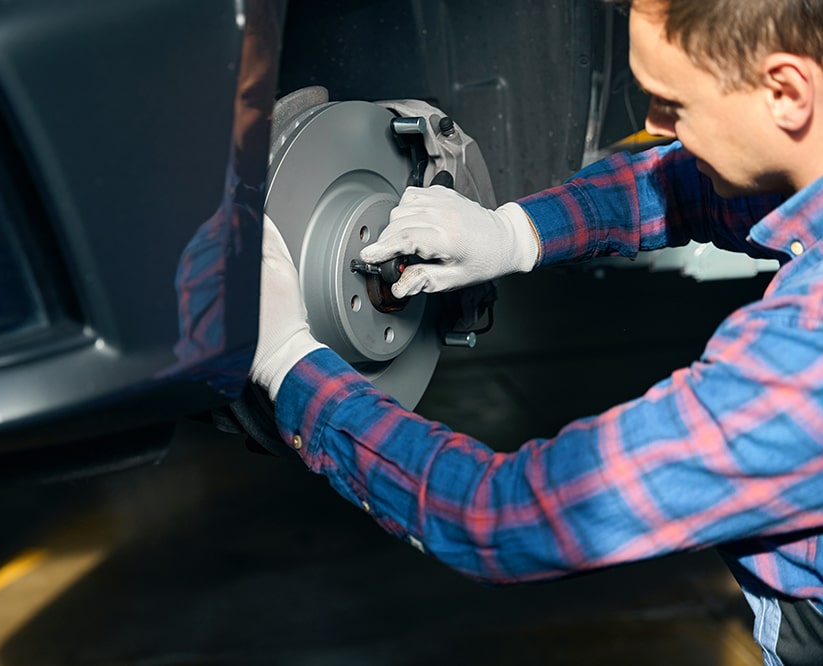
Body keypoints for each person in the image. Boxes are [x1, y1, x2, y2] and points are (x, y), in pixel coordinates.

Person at [250, 0, 823, 664]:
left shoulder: (801, 364)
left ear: (785, 91)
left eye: (673, 104)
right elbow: (686, 188)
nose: (653, 125)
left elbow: (505, 517)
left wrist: (291, 367)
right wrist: (513, 234)